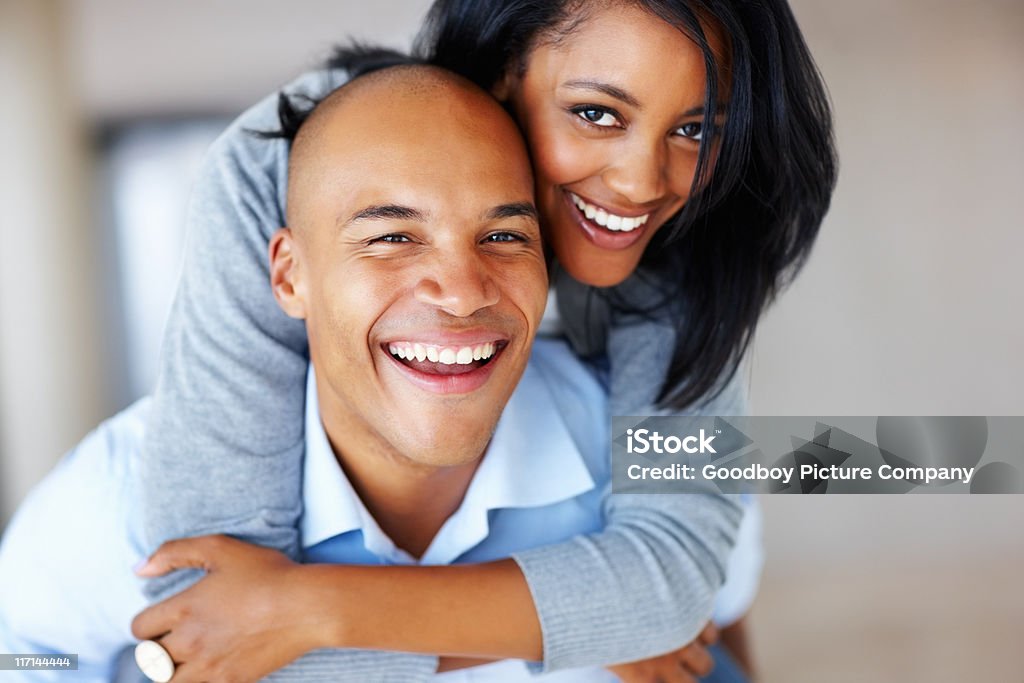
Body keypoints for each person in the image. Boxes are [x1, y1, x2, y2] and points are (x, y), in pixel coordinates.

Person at [137, 0, 835, 679]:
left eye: (695, 129)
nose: (638, 181)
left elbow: (672, 584)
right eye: (596, 113)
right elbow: (208, 626)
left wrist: (314, 606)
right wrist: (575, 623)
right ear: (504, 72)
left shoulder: (688, 241)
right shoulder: (280, 170)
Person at [0, 65, 732, 683]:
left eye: (504, 235)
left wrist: (638, 610)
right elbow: (23, 656)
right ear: (289, 275)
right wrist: (583, 623)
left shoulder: (644, 427)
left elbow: (838, 460)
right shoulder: (117, 492)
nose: (463, 288)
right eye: (392, 237)